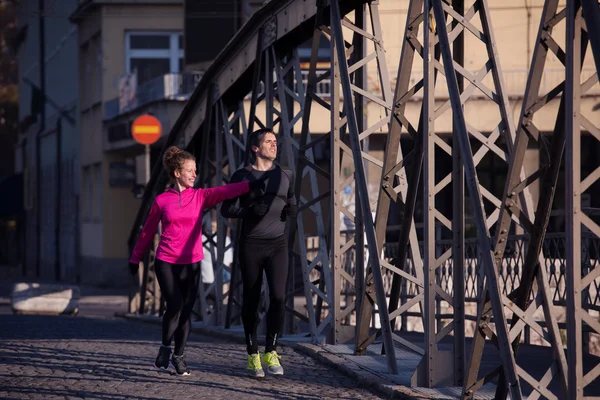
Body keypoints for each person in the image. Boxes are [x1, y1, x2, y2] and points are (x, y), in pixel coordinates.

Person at [128, 146, 266, 376]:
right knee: (174, 305)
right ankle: (165, 346)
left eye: (195, 170)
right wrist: (135, 258)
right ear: (176, 173)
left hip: (191, 262)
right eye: (190, 171)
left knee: (186, 311)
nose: (194, 174)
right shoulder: (162, 201)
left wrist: (251, 184)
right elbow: (147, 232)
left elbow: (225, 191)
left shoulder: (201, 196)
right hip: (166, 261)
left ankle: (178, 357)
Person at [221, 128, 297, 378]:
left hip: (277, 244)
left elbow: (292, 199)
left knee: (278, 297)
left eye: (276, 142)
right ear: (255, 148)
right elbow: (226, 209)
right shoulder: (242, 175)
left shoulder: (286, 173)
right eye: (268, 142)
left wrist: (290, 210)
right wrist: (248, 212)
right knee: (252, 300)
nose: (274, 145)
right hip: (251, 245)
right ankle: (252, 352)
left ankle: (271, 350)